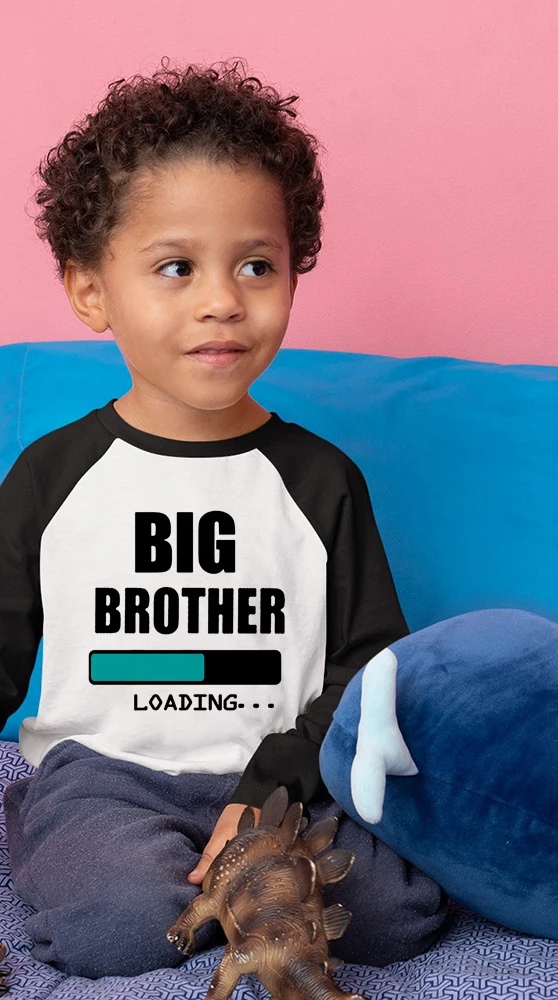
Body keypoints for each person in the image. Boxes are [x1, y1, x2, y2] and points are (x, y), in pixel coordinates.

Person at [0, 60, 447, 978]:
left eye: (256, 265)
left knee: (397, 912)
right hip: (110, 782)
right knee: (122, 921)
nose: (222, 301)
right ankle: (139, 876)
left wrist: (273, 789)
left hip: (283, 787)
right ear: (91, 290)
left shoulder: (320, 480)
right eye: (176, 267)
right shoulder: (54, 474)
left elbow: (368, 669)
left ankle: (244, 896)